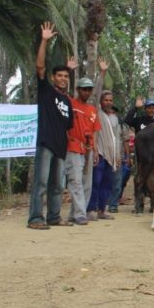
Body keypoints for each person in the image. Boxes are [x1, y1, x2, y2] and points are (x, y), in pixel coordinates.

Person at [27, 22, 74, 230]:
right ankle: (36, 218)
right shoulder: (46, 90)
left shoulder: (67, 101)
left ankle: (54, 217)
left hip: (60, 146)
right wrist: (45, 40)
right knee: (42, 183)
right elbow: (39, 67)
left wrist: (71, 70)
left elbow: (68, 126)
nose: (63, 79)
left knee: (58, 185)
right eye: (60, 76)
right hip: (46, 143)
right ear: (53, 78)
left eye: (66, 76)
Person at [87, 59, 121, 221]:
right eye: (105, 100)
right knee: (96, 181)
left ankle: (102, 209)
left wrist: (118, 156)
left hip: (112, 156)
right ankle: (91, 209)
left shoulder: (114, 118)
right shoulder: (98, 112)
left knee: (107, 183)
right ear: (101, 102)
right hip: (99, 153)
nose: (108, 102)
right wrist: (102, 73)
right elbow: (96, 91)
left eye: (110, 100)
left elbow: (118, 139)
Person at [64, 76, 101, 225]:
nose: (86, 92)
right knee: (76, 181)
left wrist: (95, 149)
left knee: (87, 183)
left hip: (89, 149)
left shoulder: (92, 110)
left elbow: (95, 131)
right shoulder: (71, 104)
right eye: (83, 89)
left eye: (89, 90)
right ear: (78, 90)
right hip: (73, 147)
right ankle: (80, 214)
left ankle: (75, 213)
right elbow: (62, 91)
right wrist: (69, 70)